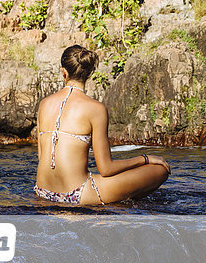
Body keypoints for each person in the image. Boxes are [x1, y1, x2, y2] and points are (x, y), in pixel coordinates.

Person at [34, 45, 170, 205]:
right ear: (90, 73)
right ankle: (121, 205)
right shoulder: (96, 109)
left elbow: (42, 157)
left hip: (42, 192)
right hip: (76, 195)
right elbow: (106, 168)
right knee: (160, 170)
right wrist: (146, 158)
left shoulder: (43, 104)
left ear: (64, 72)